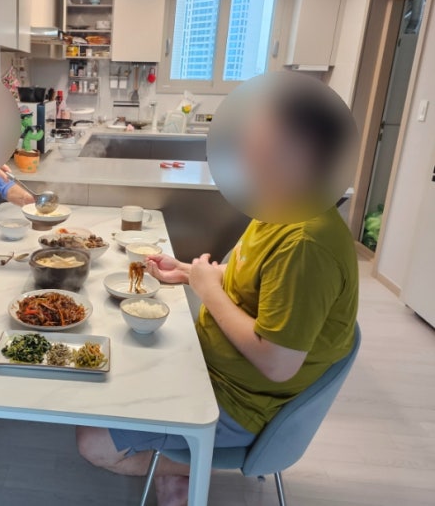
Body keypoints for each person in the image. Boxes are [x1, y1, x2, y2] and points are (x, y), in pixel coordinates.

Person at [75, 78, 359, 506]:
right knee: (115, 364)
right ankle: (178, 467)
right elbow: (254, 278)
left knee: (92, 442)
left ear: (299, 153)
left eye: (260, 139)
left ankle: (193, 459)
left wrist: (209, 291)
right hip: (208, 362)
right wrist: (189, 272)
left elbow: (277, 362)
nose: (244, 147)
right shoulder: (282, 205)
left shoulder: (306, 243)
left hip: (239, 400)